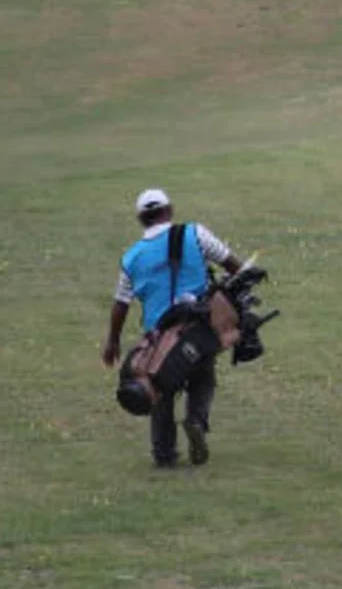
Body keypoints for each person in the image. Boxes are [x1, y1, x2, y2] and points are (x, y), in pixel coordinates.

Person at [101, 188, 244, 469]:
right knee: (203, 376)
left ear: (141, 219)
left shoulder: (131, 258)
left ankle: (164, 455)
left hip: (158, 336)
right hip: (199, 328)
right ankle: (196, 421)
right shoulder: (195, 234)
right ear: (169, 210)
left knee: (159, 388)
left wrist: (113, 341)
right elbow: (233, 265)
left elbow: (121, 303)